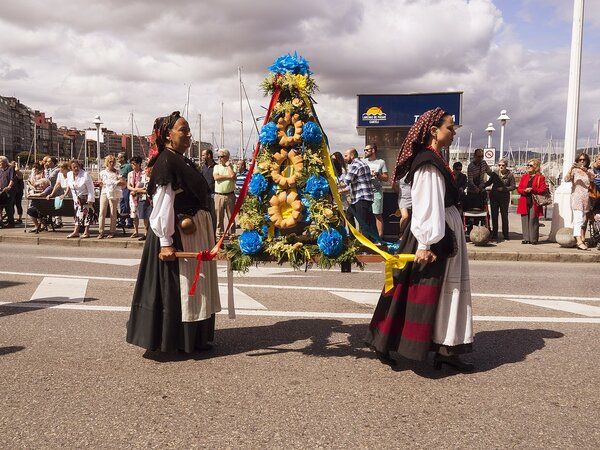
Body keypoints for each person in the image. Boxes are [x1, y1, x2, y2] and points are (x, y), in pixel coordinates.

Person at [365, 107, 474, 372]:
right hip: (433, 232)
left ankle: (446, 347)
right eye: (450, 127)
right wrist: (427, 243)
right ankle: (388, 342)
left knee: (435, 291)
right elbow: (427, 204)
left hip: (440, 227)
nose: (453, 132)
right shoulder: (428, 163)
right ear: (434, 131)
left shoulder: (434, 158)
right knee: (415, 289)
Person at [126, 111, 220, 354]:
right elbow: (162, 204)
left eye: (189, 130)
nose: (189, 134)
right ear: (168, 135)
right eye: (183, 130)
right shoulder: (167, 162)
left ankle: (195, 338)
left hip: (192, 232)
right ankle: (178, 340)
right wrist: (166, 242)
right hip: (178, 235)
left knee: (196, 287)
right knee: (184, 286)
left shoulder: (180, 159)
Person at [341, 147, 376, 237]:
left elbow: (346, 181)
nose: (344, 158)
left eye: (346, 156)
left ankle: (367, 246)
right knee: (349, 215)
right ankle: (354, 238)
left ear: (352, 156)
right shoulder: (362, 163)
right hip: (362, 198)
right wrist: (341, 191)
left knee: (363, 223)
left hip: (361, 198)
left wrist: (331, 186)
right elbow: (355, 183)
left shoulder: (355, 164)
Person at [564, 152, 593, 250]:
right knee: (578, 219)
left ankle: (579, 238)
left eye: (584, 160)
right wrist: (571, 169)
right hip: (576, 196)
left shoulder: (589, 170)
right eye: (580, 160)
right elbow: (566, 179)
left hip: (586, 197)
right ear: (577, 160)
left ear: (587, 161)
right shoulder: (575, 170)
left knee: (583, 220)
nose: (582, 161)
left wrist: (586, 171)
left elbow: (593, 178)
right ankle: (579, 240)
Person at [516, 159, 546, 245]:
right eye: (528, 165)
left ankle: (533, 239)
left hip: (534, 200)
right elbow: (519, 189)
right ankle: (526, 238)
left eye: (531, 165)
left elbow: (542, 190)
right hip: (524, 199)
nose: (528, 167)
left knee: (533, 219)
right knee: (524, 219)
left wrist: (532, 189)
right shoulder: (524, 177)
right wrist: (524, 190)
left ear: (536, 167)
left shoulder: (540, 177)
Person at [65, 159, 96, 239]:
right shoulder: (69, 175)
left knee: (87, 215)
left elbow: (91, 188)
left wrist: (90, 200)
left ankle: (86, 232)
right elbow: (70, 186)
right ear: (71, 168)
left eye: (77, 166)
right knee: (77, 216)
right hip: (76, 199)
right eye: (74, 167)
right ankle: (76, 232)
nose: (76, 168)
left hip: (85, 198)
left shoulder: (85, 175)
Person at [364, 144, 389, 240]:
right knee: (364, 215)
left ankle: (379, 238)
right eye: (364, 150)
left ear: (373, 150)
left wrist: (378, 174)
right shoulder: (363, 161)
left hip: (376, 191)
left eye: (367, 150)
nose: (365, 151)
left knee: (377, 214)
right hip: (365, 192)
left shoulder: (381, 162)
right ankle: (366, 238)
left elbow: (386, 178)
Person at [98, 155, 124, 239]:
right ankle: (101, 231)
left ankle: (112, 231)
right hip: (105, 192)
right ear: (107, 163)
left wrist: (114, 183)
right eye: (110, 162)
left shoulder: (117, 172)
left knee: (113, 212)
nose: (111, 163)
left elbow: (123, 183)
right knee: (102, 211)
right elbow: (101, 183)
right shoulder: (102, 173)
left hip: (114, 192)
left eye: (113, 162)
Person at [489, 159, 516, 240]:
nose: (501, 166)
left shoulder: (510, 175)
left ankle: (506, 234)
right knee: (494, 215)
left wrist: (503, 189)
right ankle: (494, 234)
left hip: (504, 197)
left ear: (506, 166)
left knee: (504, 215)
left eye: (503, 165)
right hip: (494, 196)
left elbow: (513, 186)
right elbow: (489, 182)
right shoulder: (495, 174)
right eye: (499, 165)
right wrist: (481, 186)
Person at [213, 148, 236, 240]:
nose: (219, 158)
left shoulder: (232, 166)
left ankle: (232, 235)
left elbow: (233, 176)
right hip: (219, 195)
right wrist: (228, 177)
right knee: (219, 217)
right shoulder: (216, 167)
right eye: (218, 156)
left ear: (227, 157)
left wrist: (229, 166)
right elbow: (216, 177)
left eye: (222, 156)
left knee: (231, 217)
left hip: (230, 195)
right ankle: (219, 236)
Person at [127, 156, 144, 239]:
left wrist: (137, 190)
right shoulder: (130, 174)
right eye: (132, 164)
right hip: (132, 195)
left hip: (141, 196)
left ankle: (145, 231)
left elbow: (145, 185)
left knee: (144, 214)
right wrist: (134, 189)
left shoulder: (143, 173)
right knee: (134, 214)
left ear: (139, 164)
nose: (132, 165)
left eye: (134, 163)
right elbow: (128, 185)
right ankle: (136, 231)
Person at [201, 148, 217, 233]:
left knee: (213, 216)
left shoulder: (216, 167)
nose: (202, 157)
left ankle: (213, 234)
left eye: (203, 155)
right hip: (204, 194)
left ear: (209, 155)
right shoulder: (203, 167)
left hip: (213, 194)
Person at [117, 152, 133, 228]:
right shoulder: (121, 167)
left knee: (127, 204)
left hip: (126, 186)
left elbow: (131, 176)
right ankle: (122, 221)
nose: (117, 158)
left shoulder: (128, 166)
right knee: (122, 204)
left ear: (123, 158)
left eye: (119, 157)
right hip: (121, 187)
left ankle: (130, 221)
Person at [0, 156, 16, 228]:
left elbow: (12, 179)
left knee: (8, 206)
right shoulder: (0, 169)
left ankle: (11, 223)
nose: (0, 163)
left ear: (5, 162)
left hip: (9, 190)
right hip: (1, 190)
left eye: (1, 162)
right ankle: (1, 221)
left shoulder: (10, 168)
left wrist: (9, 186)